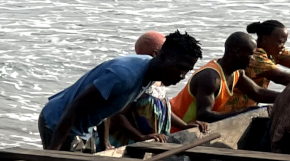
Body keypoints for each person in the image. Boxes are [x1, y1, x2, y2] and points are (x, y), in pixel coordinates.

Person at [38, 32, 202, 152]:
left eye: (187, 70)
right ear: (162, 55)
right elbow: (75, 107)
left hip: (84, 129)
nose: (182, 75)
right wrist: (53, 153)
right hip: (58, 123)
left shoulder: (150, 74)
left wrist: (105, 143)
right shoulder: (124, 75)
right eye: (179, 67)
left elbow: (106, 106)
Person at [169, 32, 278, 124]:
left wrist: (288, 96)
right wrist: (242, 113)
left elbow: (257, 92)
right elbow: (203, 115)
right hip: (176, 128)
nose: (253, 59)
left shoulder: (237, 73)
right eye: (251, 54)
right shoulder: (210, 78)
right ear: (238, 52)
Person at [226, 20, 290, 110]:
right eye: (280, 42)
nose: (283, 46)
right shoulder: (254, 56)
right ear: (265, 39)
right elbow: (281, 77)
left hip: (249, 108)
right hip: (230, 112)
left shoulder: (274, 52)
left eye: (284, 42)